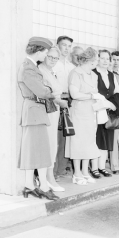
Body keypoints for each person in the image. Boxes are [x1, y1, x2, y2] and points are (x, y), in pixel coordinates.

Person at [18, 37, 59, 201]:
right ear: (38, 51)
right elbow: (43, 92)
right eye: (46, 52)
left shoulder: (31, 67)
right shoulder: (29, 68)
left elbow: (42, 90)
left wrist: (46, 89)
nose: (47, 55)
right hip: (35, 110)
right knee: (41, 150)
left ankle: (29, 185)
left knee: (34, 151)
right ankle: (43, 186)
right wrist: (49, 90)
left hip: (35, 110)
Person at [65, 47, 100, 185]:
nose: (96, 62)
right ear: (89, 60)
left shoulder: (94, 75)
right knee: (78, 142)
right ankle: (77, 173)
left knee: (89, 142)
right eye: (96, 60)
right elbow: (74, 94)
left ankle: (85, 172)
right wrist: (92, 95)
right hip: (78, 111)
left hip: (91, 111)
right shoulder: (75, 73)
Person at [38, 46, 69, 192]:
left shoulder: (52, 71)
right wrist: (59, 100)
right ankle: (47, 178)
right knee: (48, 144)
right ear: (44, 55)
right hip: (47, 110)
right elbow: (45, 93)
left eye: (56, 58)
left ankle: (47, 177)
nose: (53, 60)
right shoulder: (40, 70)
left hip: (54, 111)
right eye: (50, 57)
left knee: (52, 144)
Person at [90, 50, 119, 178]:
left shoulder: (111, 75)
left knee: (106, 140)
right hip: (96, 111)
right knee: (95, 139)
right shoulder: (92, 73)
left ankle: (102, 167)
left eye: (107, 59)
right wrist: (107, 104)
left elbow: (117, 92)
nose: (105, 61)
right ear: (97, 59)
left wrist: (116, 105)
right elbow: (92, 93)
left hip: (108, 113)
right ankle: (94, 168)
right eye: (102, 58)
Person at [52, 36, 75, 178]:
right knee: (56, 139)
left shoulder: (71, 66)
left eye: (69, 46)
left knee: (66, 136)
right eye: (64, 45)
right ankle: (53, 171)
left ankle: (61, 168)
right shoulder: (53, 64)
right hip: (56, 101)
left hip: (69, 101)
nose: (66, 48)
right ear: (57, 46)